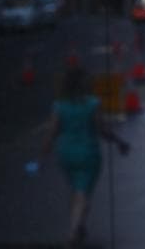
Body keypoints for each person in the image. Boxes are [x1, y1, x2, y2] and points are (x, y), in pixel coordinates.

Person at [42, 66, 130, 248]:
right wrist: (119, 142)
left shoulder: (59, 105)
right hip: (88, 153)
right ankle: (73, 231)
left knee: (75, 189)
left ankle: (79, 225)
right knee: (83, 192)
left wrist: (43, 154)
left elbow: (52, 131)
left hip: (66, 153)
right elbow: (102, 129)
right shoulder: (92, 104)